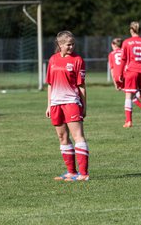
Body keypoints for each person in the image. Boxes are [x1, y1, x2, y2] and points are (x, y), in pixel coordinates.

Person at [45, 31, 89, 181]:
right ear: (60, 45)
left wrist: (84, 105)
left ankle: (83, 174)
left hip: (71, 102)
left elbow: (81, 86)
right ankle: (71, 172)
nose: (71, 47)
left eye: (73, 44)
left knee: (78, 136)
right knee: (62, 137)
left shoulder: (78, 60)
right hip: (56, 104)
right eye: (68, 44)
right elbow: (50, 84)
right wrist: (49, 105)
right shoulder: (52, 60)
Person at [121, 21, 141, 128]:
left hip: (131, 71)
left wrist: (120, 73)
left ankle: (129, 121)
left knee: (128, 96)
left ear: (131, 30)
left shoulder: (126, 42)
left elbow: (123, 59)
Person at [109, 38, 141, 109]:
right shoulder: (126, 52)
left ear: (113, 45)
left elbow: (112, 70)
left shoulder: (111, 54)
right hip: (126, 75)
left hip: (117, 77)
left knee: (130, 94)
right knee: (132, 93)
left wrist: (115, 83)